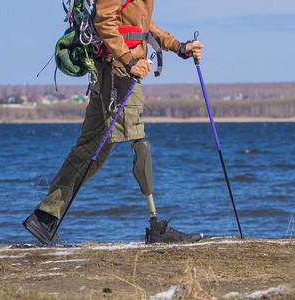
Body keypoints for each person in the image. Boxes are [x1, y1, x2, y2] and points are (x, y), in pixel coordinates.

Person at [23, 0, 205, 245]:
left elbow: (142, 23)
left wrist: (180, 47)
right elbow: (104, 21)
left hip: (109, 71)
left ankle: (44, 217)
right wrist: (130, 60)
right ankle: (156, 228)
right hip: (119, 72)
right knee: (139, 141)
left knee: (90, 149)